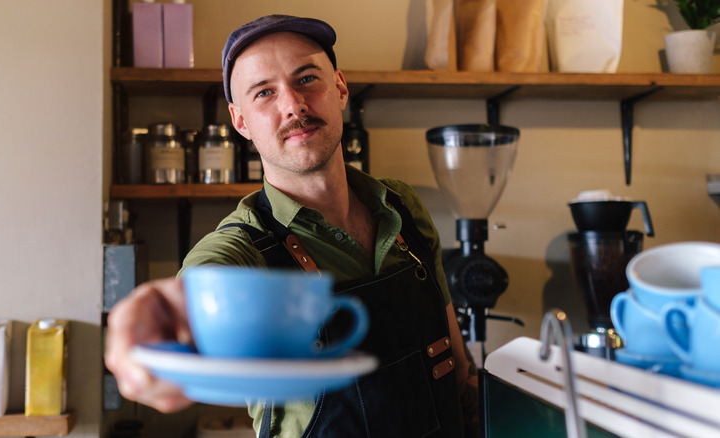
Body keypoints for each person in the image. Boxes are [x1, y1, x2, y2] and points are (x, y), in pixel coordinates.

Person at [105, 14, 480, 438]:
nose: (293, 105)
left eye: (306, 79)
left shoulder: (403, 206)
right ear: (240, 120)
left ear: (339, 88)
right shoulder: (245, 246)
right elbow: (203, 283)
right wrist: (160, 315)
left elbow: (457, 361)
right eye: (264, 92)